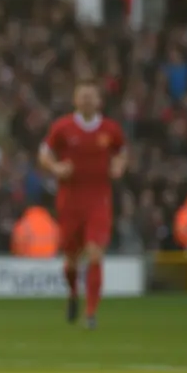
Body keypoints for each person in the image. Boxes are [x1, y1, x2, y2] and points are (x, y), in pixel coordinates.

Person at [37, 79, 127, 329]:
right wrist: (55, 167)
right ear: (76, 100)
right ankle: (73, 294)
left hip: (98, 199)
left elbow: (122, 151)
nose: (87, 100)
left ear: (99, 101)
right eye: (82, 96)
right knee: (72, 258)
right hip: (70, 200)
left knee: (95, 251)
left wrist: (119, 165)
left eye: (91, 96)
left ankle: (91, 313)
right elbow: (44, 152)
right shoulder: (63, 127)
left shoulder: (110, 129)